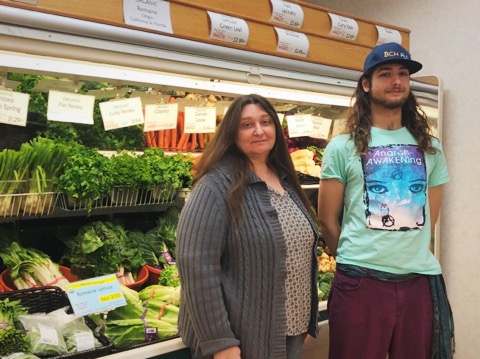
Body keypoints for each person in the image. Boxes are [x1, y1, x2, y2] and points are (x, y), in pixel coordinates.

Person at [317, 42, 455, 359]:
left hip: (419, 282)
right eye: (386, 73)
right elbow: (326, 218)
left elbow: (428, 218)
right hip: (360, 283)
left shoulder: (431, 147)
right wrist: (356, 255)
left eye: (403, 74)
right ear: (366, 84)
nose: (396, 81)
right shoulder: (342, 146)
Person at [176, 94, 320, 359]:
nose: (258, 130)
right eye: (246, 125)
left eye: (266, 122)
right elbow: (195, 265)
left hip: (290, 330)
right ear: (232, 133)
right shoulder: (216, 185)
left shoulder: (285, 178)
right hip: (243, 339)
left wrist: (305, 318)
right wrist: (220, 341)